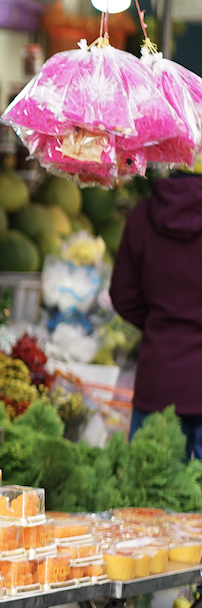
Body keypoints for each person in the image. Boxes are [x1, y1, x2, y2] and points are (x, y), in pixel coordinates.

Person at [108, 168, 202, 460]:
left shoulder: (142, 216)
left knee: (149, 484)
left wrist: (158, 324)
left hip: (158, 380)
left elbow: (123, 294)